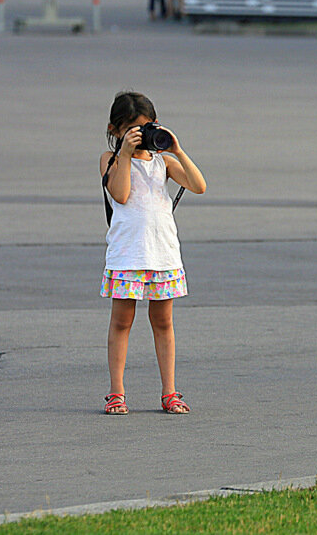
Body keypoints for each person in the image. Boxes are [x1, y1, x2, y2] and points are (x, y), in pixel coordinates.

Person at [99, 91, 207, 415]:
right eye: (133, 129)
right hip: (127, 255)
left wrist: (176, 149)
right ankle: (116, 392)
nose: (141, 136)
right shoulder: (111, 161)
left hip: (162, 254)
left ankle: (169, 392)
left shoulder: (165, 163)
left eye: (146, 128)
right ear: (116, 130)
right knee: (122, 321)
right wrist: (127, 153)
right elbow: (120, 193)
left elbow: (199, 185)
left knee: (163, 322)